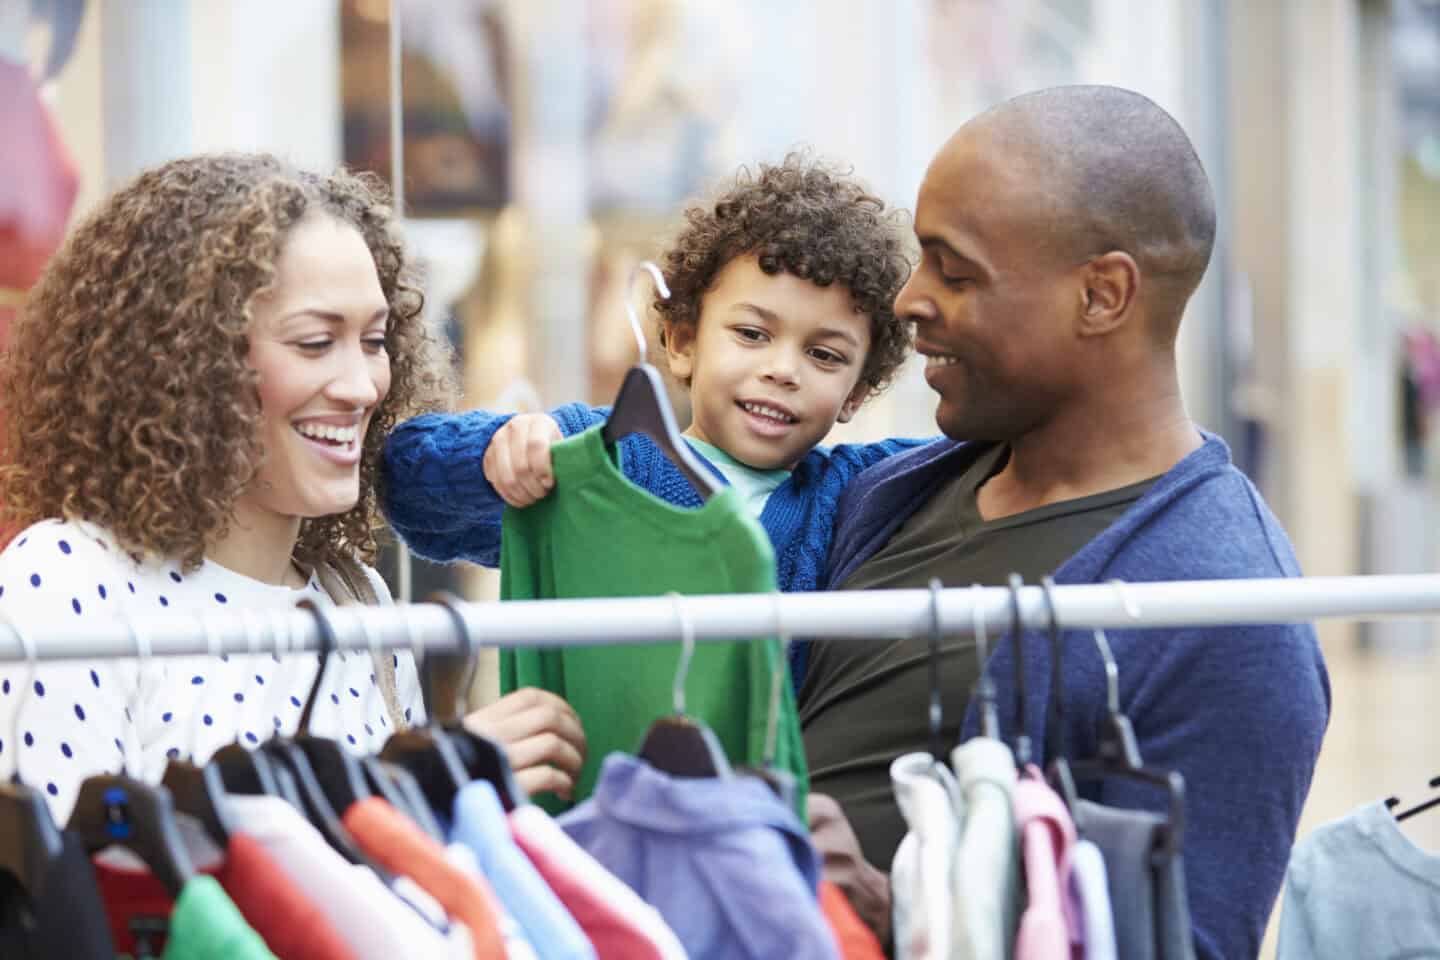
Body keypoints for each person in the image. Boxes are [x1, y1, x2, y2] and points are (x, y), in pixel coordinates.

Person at [798, 86, 1330, 960]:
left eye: (955, 271)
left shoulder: (1228, 613)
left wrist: (896, 911)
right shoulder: (889, 492)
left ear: (1101, 295)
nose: (907, 300)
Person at [381, 154, 929, 800]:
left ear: (857, 394)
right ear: (681, 341)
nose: (784, 369)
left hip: (752, 828)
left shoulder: (850, 492)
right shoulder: (602, 458)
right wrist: (501, 449)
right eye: (752, 334)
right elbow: (404, 474)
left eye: (825, 355)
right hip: (585, 817)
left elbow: (978, 452)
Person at [0, 153, 454, 818]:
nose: (362, 385)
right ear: (189, 361)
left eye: (375, 340)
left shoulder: (359, 600)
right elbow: (70, 897)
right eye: (314, 342)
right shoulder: (68, 584)